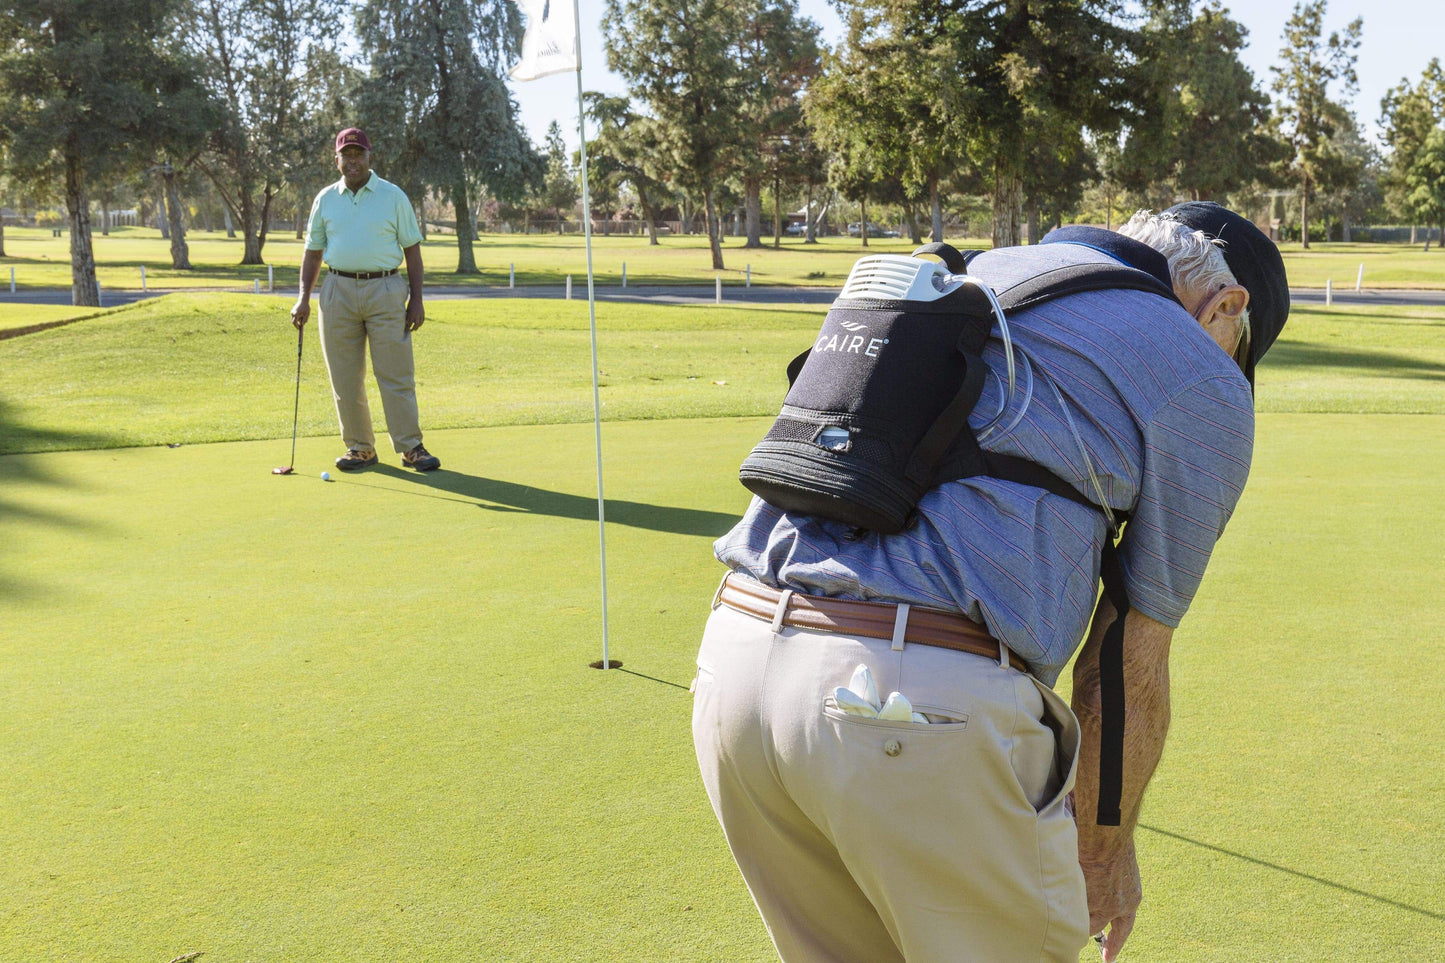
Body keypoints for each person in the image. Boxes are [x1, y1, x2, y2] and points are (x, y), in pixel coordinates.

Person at [693, 202, 1289, 962]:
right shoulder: (1201, 374)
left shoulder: (976, 270)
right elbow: (1124, 661)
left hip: (732, 669)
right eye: (1240, 349)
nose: (1231, 370)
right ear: (1227, 307)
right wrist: (1102, 852)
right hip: (904, 711)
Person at [290, 127, 440, 473]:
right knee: (344, 377)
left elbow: (412, 251)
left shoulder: (393, 196)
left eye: (359, 154)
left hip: (386, 289)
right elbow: (312, 252)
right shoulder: (325, 199)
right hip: (337, 290)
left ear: (370, 157)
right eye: (347, 154)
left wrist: (417, 299)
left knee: (396, 373)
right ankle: (360, 448)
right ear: (337, 159)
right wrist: (303, 298)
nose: (353, 160)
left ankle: (410, 447)